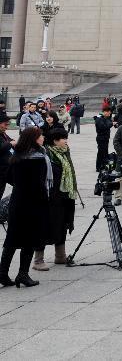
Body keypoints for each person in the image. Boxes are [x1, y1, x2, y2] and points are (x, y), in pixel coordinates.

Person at [0, 127, 49, 288]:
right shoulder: (38, 158)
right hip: (33, 203)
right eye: (40, 136)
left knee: (12, 239)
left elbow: (9, 178)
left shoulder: (16, 156)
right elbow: (40, 185)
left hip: (17, 201)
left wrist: (20, 186)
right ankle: (23, 274)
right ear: (34, 139)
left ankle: (3, 273)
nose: (42, 137)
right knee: (29, 239)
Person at [33, 128, 77, 271]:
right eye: (63, 139)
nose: (66, 141)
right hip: (49, 197)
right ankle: (38, 260)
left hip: (64, 196)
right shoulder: (45, 155)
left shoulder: (65, 152)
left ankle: (60, 255)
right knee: (45, 226)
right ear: (55, 141)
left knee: (63, 223)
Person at [93, 106, 114, 173]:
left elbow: (108, 124)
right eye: (108, 112)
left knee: (105, 152)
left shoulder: (105, 118)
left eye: (110, 113)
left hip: (105, 138)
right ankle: (98, 167)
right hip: (101, 138)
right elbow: (103, 127)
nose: (109, 114)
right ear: (104, 112)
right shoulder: (99, 119)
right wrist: (111, 124)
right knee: (101, 152)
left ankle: (103, 165)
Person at [0, 112, 12, 200]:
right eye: (5, 124)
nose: (7, 127)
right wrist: (10, 144)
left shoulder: (3, 134)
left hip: (4, 170)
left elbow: (10, 140)